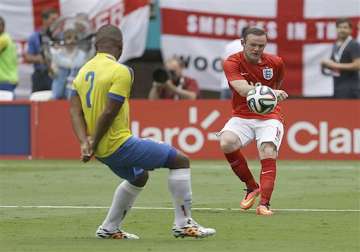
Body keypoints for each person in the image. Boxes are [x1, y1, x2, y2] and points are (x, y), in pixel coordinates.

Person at [70, 24, 215, 239]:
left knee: (139, 177)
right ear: (120, 46)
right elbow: (110, 111)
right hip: (118, 144)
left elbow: (75, 112)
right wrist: (93, 141)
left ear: (96, 45)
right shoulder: (121, 71)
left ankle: (109, 228)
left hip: (102, 150)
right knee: (180, 161)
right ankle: (184, 224)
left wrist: (85, 142)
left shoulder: (82, 72)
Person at [219, 27, 288, 216]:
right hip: (242, 115)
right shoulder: (232, 62)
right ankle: (251, 187)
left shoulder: (275, 62)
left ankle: (264, 204)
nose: (257, 49)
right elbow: (241, 89)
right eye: (253, 45)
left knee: (267, 149)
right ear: (243, 43)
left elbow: (278, 82)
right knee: (226, 142)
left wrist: (270, 97)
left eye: (261, 46)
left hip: (269, 116)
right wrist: (271, 93)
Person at [321, 18, 360, 99]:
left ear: (351, 30)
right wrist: (326, 64)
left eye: (345, 27)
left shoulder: (353, 44)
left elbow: (357, 65)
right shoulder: (336, 44)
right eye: (339, 27)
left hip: (351, 88)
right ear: (336, 29)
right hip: (337, 86)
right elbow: (334, 63)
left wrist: (334, 65)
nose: (342, 30)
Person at [24, 8, 59, 93]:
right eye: (53, 19)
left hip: (57, 76)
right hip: (40, 75)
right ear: (44, 20)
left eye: (57, 19)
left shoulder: (60, 37)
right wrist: (41, 59)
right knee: (37, 101)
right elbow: (27, 57)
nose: (56, 22)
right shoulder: (35, 37)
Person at [50, 29, 87, 99]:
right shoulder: (57, 54)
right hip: (58, 91)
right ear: (64, 40)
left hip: (75, 93)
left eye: (75, 38)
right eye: (69, 38)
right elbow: (53, 72)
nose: (72, 41)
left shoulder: (82, 55)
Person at [219, 27, 248, 99]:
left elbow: (222, 64)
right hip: (242, 87)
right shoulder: (251, 47)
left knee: (223, 109)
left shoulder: (230, 45)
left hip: (226, 84)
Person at [0, 16, 18, 94]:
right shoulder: (7, 38)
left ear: (3, 27)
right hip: (7, 79)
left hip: (4, 80)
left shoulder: (3, 39)